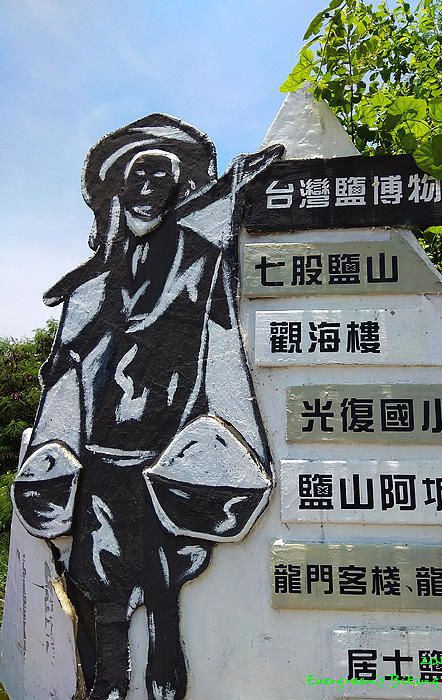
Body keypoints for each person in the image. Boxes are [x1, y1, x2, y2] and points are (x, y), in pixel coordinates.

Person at [13, 114, 282, 700]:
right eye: (137, 176)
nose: (147, 189)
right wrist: (51, 448)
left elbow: (224, 354)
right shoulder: (92, 288)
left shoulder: (201, 265)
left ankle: (164, 671)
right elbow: (63, 378)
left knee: (163, 583)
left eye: (161, 177)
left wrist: (234, 441)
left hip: (164, 455)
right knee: (96, 579)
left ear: (178, 187)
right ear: (117, 191)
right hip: (99, 458)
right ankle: (108, 682)